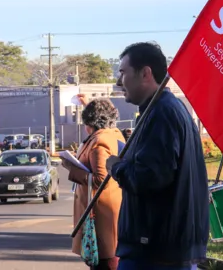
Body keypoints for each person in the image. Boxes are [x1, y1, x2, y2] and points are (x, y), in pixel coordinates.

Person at [106, 42, 209, 270]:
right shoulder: (162, 110)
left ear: (145, 73)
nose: (118, 82)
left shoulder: (162, 113)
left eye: (123, 73)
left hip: (154, 251)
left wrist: (116, 167)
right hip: (161, 247)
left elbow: (150, 177)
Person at [63, 98, 126, 270]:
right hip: (106, 213)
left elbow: (101, 179)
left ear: (89, 121)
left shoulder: (100, 141)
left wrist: (71, 168)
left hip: (102, 216)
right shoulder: (112, 134)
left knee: (105, 264)